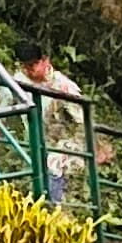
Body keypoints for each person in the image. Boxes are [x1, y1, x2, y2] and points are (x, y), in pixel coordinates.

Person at [13, 44, 110, 205]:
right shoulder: (20, 79)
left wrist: (96, 147)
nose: (28, 70)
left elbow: (83, 120)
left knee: (54, 163)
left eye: (33, 65)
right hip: (38, 137)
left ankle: (52, 207)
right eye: (24, 66)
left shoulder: (63, 87)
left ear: (45, 61)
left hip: (66, 140)